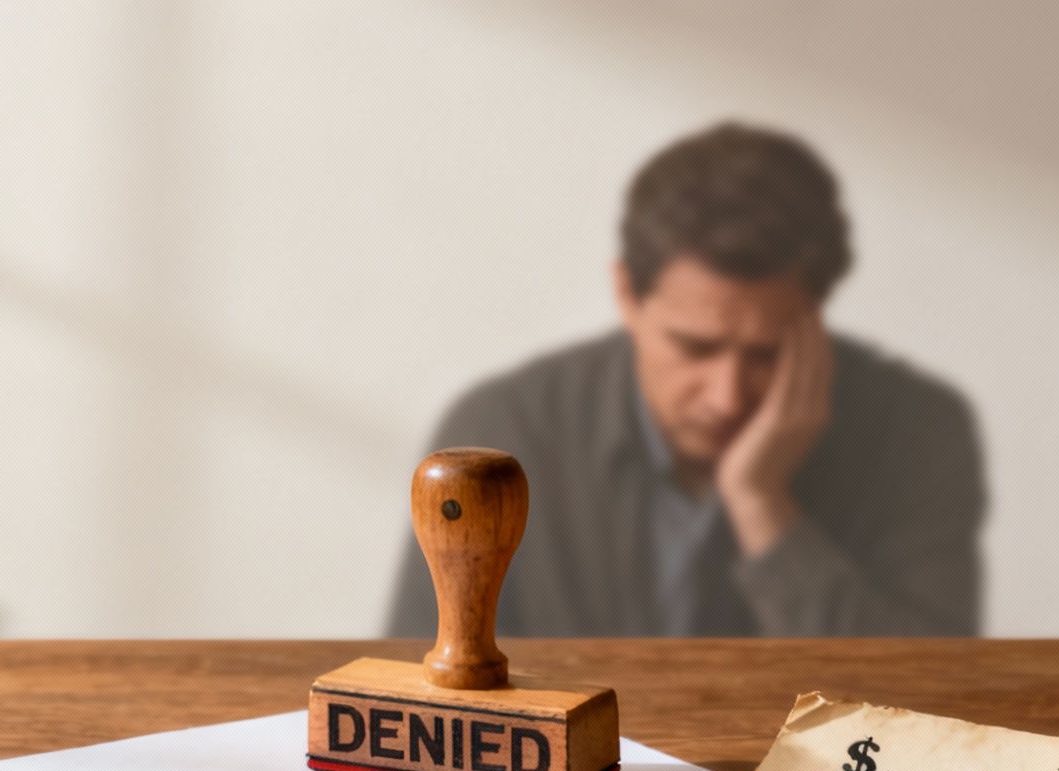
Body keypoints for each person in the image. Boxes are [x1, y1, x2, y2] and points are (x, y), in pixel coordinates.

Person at [387, 122, 987, 638]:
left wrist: (763, 504)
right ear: (627, 294)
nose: (727, 395)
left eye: (765, 352)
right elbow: (421, 680)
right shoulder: (499, 433)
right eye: (695, 347)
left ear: (816, 314)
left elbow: (926, 707)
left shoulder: (919, 433)